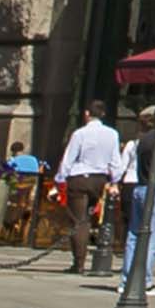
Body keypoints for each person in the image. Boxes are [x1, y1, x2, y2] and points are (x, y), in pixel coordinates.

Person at [51, 108, 129, 272]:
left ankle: (79, 261)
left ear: (87, 114)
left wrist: (59, 179)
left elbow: (69, 158)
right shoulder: (112, 134)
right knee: (87, 218)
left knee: (78, 220)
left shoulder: (80, 133)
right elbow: (116, 159)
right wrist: (115, 179)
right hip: (99, 179)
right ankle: (81, 257)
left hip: (79, 177)